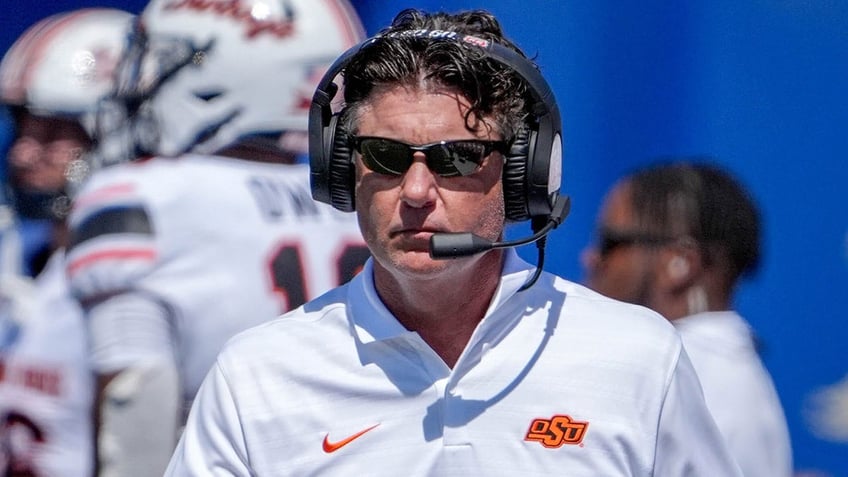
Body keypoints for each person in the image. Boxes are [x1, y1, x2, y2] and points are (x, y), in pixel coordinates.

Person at [166, 9, 744, 475]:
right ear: (343, 170)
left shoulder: (638, 358)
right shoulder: (256, 377)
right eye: (385, 156)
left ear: (524, 177)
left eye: (458, 158)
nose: (416, 192)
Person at [62, 1, 368, 476]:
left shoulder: (145, 195)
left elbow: (135, 414)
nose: (139, 86)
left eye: (164, 64)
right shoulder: (365, 195)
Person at [582, 161, 793, 477]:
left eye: (610, 243)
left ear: (680, 263)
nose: (590, 258)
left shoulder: (675, 371)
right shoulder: (725, 370)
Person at [0, 8, 134, 476]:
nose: (22, 152)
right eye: (24, 127)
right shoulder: (17, 250)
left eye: (55, 132)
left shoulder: (130, 274)